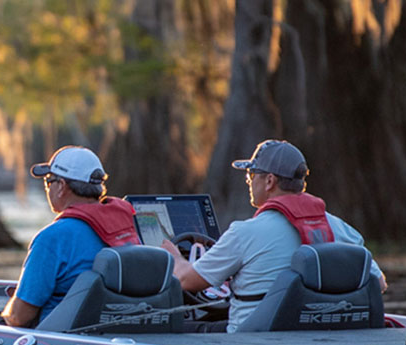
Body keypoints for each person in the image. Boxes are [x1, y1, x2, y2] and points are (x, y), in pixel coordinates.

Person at [161, 139, 387, 333]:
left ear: (269, 181)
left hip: (252, 340)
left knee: (172, 327)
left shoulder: (245, 232)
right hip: (318, 336)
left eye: (251, 174)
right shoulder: (340, 228)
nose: (248, 181)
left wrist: (174, 256)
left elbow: (185, 281)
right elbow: (378, 283)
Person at [0, 145, 140, 327]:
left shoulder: (53, 238)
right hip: (110, 326)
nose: (47, 188)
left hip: (56, 336)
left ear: (61, 187)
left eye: (48, 181)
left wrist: (9, 308)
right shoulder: (129, 225)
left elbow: (18, 317)